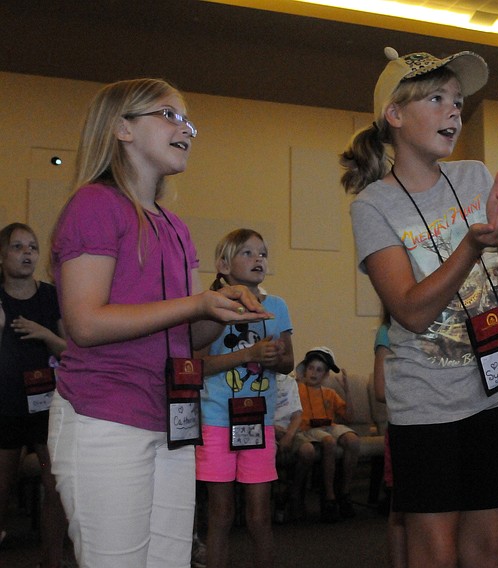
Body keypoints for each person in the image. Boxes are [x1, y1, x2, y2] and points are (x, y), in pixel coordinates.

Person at [48, 78, 269, 568]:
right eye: (168, 115)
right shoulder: (95, 204)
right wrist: (196, 304)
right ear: (122, 129)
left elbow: (188, 338)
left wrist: (220, 308)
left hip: (168, 417)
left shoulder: (175, 226)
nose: (185, 128)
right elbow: (83, 324)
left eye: (187, 120)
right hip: (103, 416)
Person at [342, 47, 498, 568]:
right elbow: (410, 311)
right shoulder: (374, 205)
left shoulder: (474, 176)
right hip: (425, 405)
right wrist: (471, 245)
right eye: (437, 98)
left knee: (491, 548)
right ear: (395, 115)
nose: (455, 110)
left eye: (458, 100)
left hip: (490, 398)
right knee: (434, 551)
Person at [195, 228, 294, 568]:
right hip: (217, 420)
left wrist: (274, 356)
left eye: (263, 253)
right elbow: (198, 366)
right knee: (221, 515)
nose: (258, 259)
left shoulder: (277, 306)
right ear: (223, 265)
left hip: (259, 422)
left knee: (259, 516)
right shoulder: (210, 307)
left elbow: (289, 363)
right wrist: (248, 354)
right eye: (248, 253)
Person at [0, 223, 68, 567]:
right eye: (17, 246)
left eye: (32, 246)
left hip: (46, 404)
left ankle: (51, 560)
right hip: (5, 406)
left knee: (55, 484)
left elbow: (71, 349)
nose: (27, 253)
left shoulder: (50, 296)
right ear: (1, 255)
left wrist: (44, 333)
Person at [295, 347, 360, 523]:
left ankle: (344, 492)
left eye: (319, 370)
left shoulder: (329, 393)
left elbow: (350, 417)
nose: (314, 373)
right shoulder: (297, 390)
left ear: (325, 375)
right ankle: (329, 495)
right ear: (304, 369)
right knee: (328, 441)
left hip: (328, 426)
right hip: (309, 429)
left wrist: (347, 391)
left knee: (353, 440)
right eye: (310, 368)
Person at [372, 314, 407, 568]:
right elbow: (381, 390)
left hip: (442, 426)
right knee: (401, 511)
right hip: (407, 427)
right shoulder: (388, 330)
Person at [272, 370, 315, 524]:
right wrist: (272, 429)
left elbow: (297, 416)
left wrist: (289, 435)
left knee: (308, 450)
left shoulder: (289, 382)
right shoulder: (257, 379)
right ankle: (275, 497)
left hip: (288, 430)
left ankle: (294, 492)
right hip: (266, 430)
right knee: (270, 451)